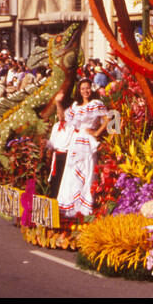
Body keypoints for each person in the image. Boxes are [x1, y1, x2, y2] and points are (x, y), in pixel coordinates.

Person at [57, 79, 110, 219]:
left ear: (91, 89)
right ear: (79, 91)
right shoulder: (75, 107)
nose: (85, 91)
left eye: (87, 88)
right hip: (76, 143)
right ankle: (71, 208)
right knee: (72, 173)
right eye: (82, 89)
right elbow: (62, 117)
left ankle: (84, 209)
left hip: (88, 142)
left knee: (87, 172)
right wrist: (58, 102)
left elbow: (108, 119)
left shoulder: (96, 104)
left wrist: (97, 133)